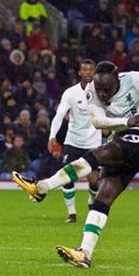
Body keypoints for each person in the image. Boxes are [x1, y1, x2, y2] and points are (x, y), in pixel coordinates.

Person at [13, 60, 139, 269]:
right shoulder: (91, 90)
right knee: (104, 195)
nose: (102, 94)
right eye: (99, 89)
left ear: (116, 79)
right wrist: (126, 122)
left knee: (100, 154)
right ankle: (84, 253)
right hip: (123, 137)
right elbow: (98, 122)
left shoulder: (135, 80)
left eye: (106, 89)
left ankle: (42, 188)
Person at [46, 59, 102, 223]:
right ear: (79, 72)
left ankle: (92, 202)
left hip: (94, 142)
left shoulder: (102, 92)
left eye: (90, 70)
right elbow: (59, 115)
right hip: (73, 141)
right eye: (84, 69)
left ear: (94, 73)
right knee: (68, 177)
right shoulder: (70, 93)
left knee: (93, 179)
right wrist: (52, 136)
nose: (87, 73)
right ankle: (72, 213)